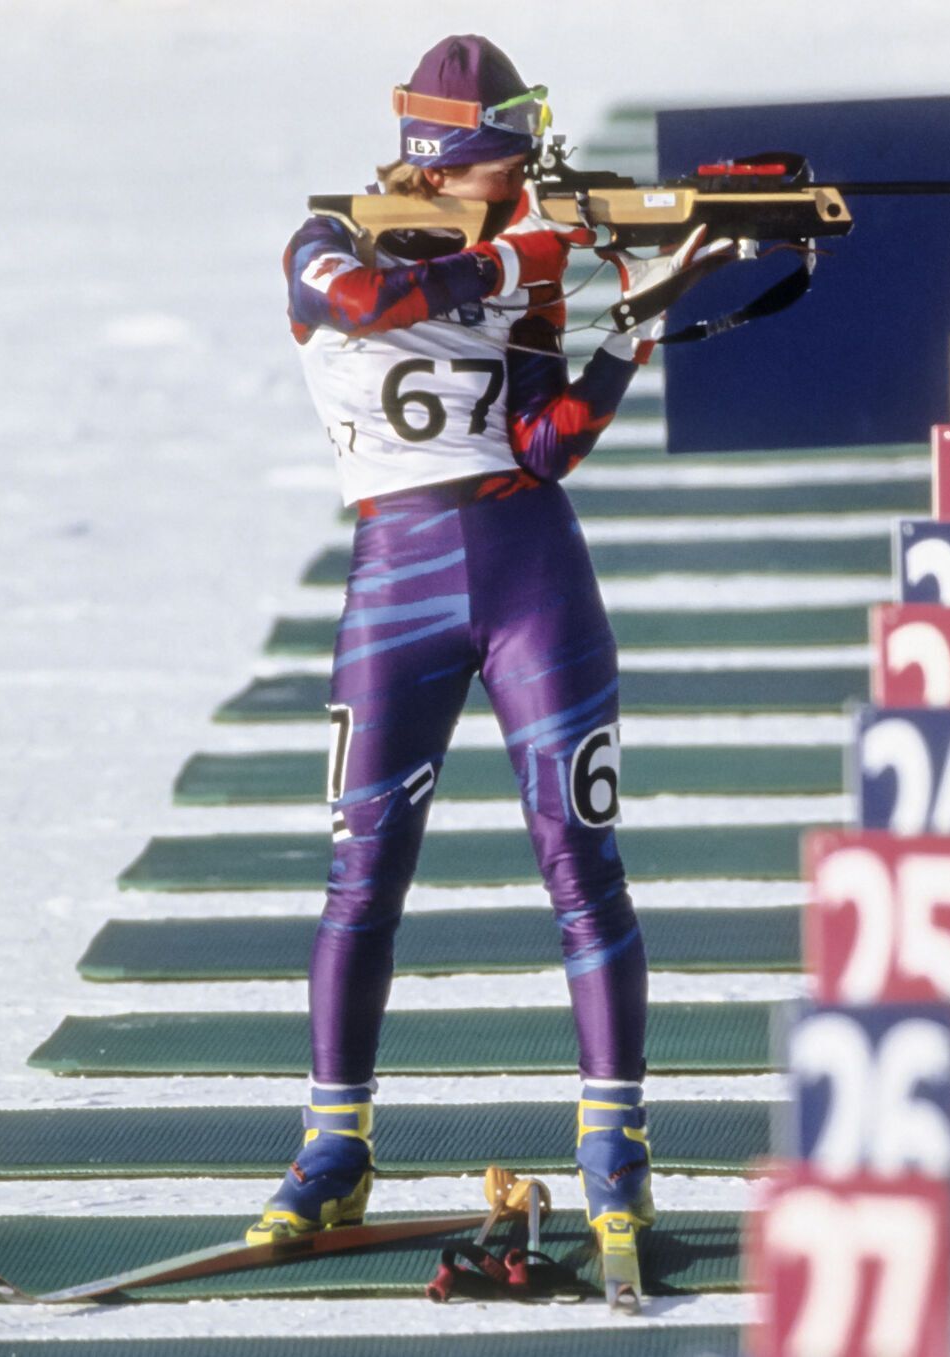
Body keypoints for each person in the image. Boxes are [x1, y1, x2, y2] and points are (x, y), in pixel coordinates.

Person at [247, 34, 716, 1253]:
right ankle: (332, 1144)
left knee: (581, 857)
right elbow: (364, 305)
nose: (520, 189)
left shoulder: (525, 268)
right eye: (502, 172)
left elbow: (545, 442)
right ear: (453, 166)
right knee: (362, 877)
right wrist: (517, 253)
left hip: (529, 574)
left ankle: (616, 1141)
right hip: (393, 585)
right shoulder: (325, 243)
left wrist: (633, 330)